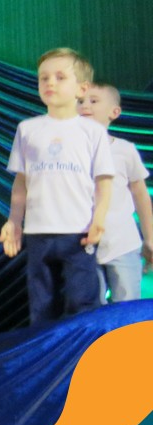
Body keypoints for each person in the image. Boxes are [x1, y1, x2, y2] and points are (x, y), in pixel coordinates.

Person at [0, 49, 114, 324]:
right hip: (38, 232)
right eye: (44, 78)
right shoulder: (27, 129)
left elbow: (104, 181)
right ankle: (47, 350)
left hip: (78, 231)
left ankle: (84, 349)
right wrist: (14, 221)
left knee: (82, 301)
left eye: (60, 77)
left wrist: (98, 220)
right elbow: (21, 181)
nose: (50, 83)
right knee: (41, 303)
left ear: (82, 89)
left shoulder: (93, 131)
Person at [79, 82, 153, 301]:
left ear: (114, 112)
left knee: (127, 305)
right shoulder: (67, 152)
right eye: (80, 101)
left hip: (122, 242)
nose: (85, 105)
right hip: (81, 245)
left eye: (94, 101)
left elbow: (141, 195)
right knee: (91, 307)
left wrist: (149, 238)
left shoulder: (124, 150)